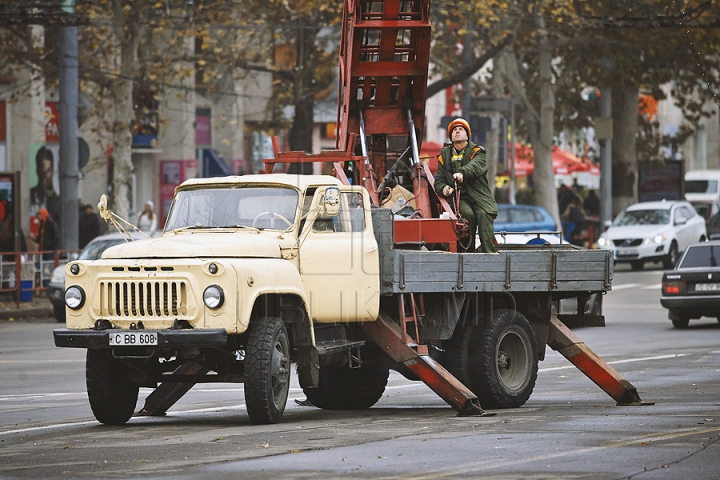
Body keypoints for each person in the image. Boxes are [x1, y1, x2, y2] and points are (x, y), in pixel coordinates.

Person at [435, 118, 498, 253]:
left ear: (467, 135)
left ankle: (489, 254)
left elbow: (475, 167)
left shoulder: (478, 152)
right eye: (454, 130)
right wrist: (443, 188)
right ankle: (468, 253)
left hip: (479, 196)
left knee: (483, 214)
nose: (457, 132)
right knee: (468, 215)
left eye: (461, 129)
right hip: (459, 197)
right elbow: (439, 179)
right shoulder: (444, 155)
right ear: (451, 137)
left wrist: (462, 173)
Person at [30, 146, 61, 225]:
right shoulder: (29, 197)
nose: (46, 176)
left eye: (49, 171)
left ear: (53, 171)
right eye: (43, 173)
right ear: (38, 172)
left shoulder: (56, 202)